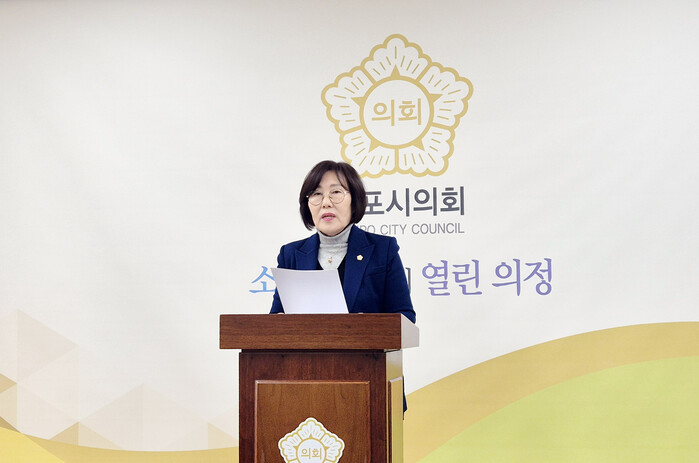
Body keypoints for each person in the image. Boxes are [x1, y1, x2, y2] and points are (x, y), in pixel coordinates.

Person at [269, 160, 416, 324]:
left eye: (336, 192)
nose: (326, 203)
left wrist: (368, 324)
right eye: (317, 194)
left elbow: (406, 317)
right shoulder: (290, 255)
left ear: (354, 200)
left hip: (364, 342)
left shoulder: (383, 249)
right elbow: (276, 318)